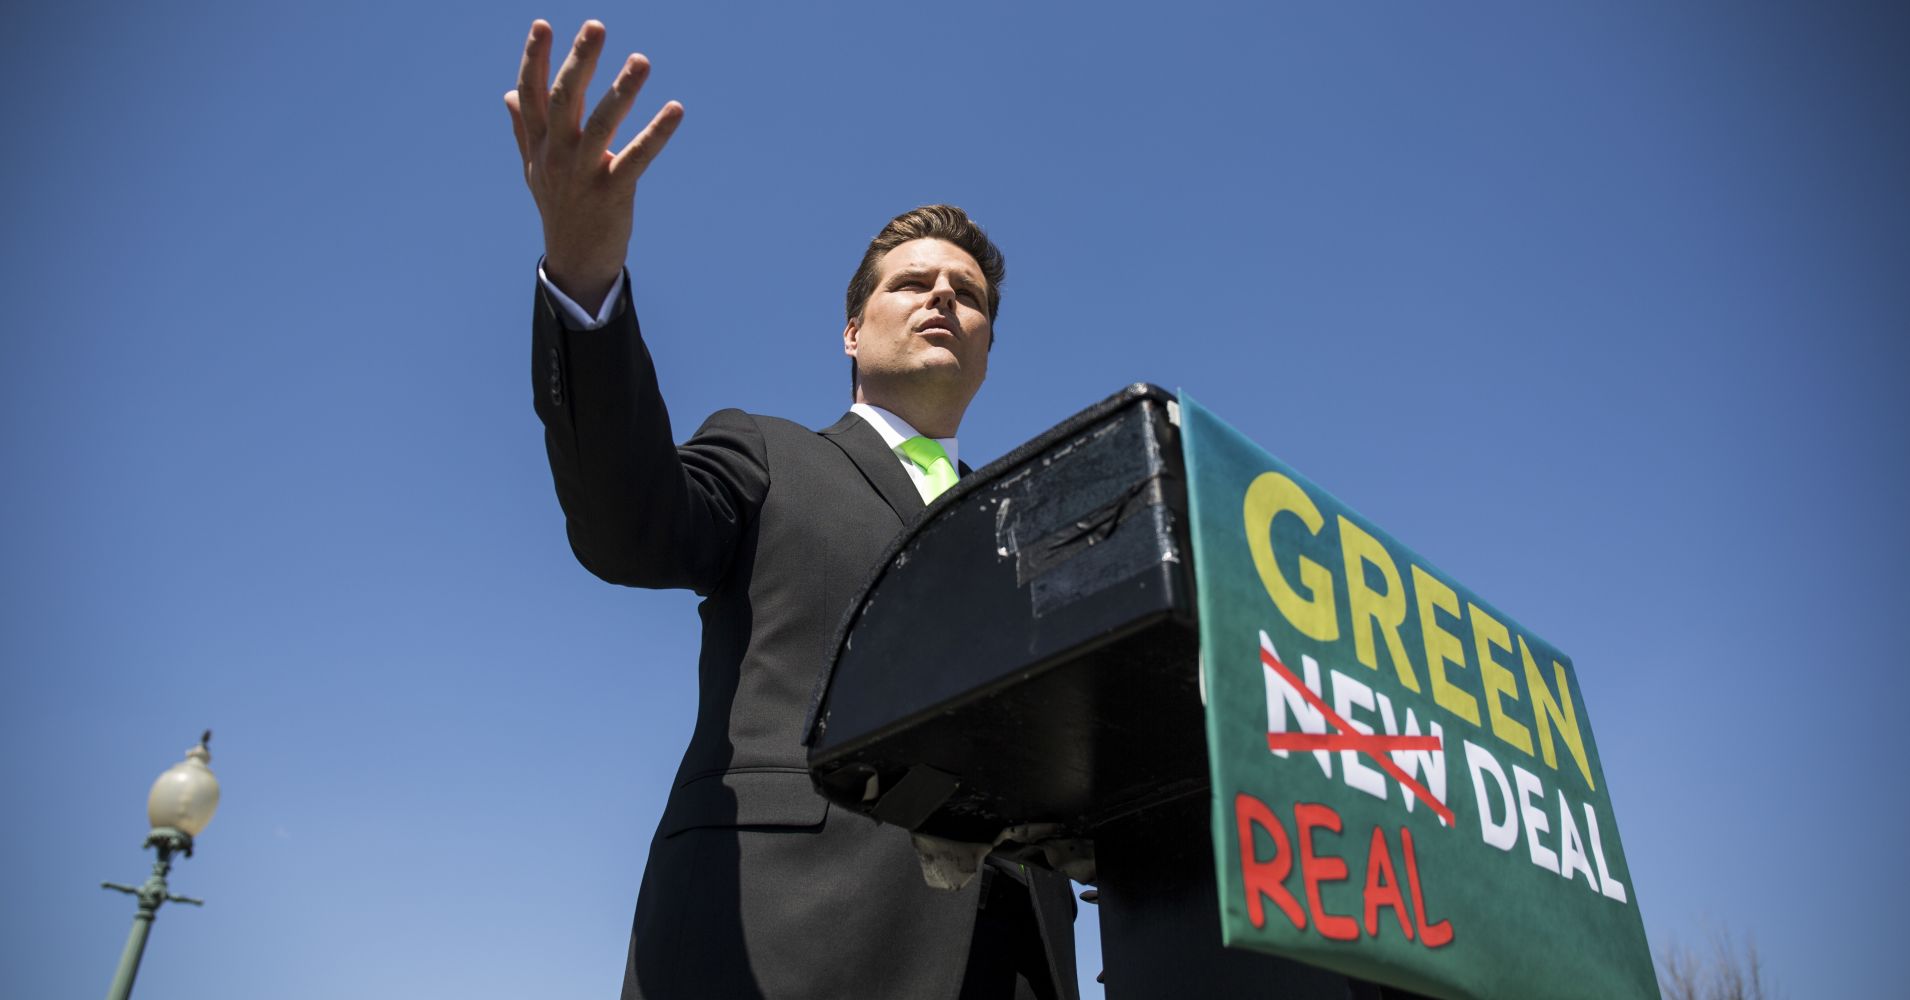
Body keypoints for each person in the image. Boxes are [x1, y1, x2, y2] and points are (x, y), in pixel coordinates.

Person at [504, 20, 1078, 1000]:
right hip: (791, 943)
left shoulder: (1036, 530)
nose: (943, 296)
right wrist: (584, 272)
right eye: (912, 283)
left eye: (968, 294)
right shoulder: (767, 452)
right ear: (852, 330)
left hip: (1020, 957)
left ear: (987, 346)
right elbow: (626, 521)